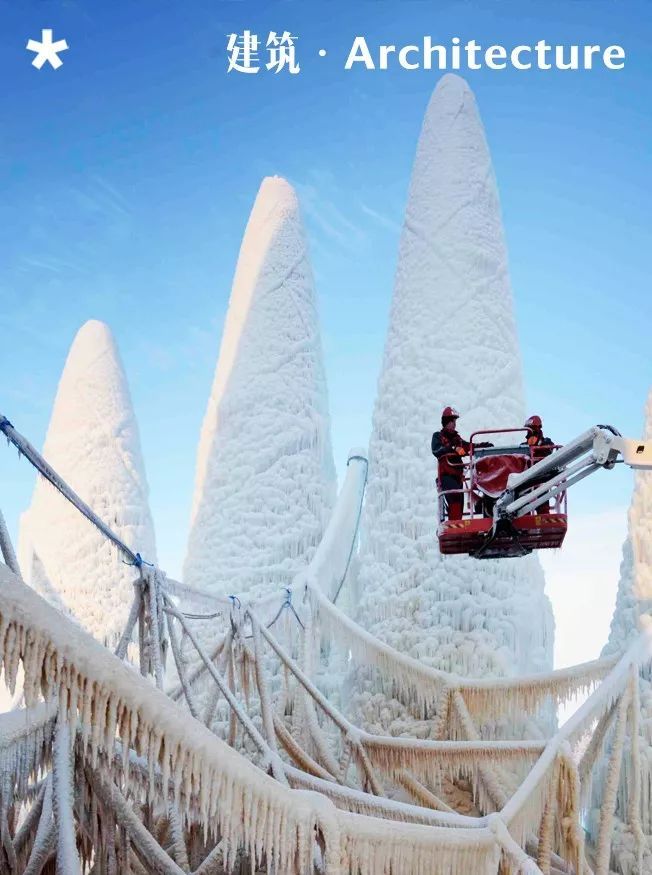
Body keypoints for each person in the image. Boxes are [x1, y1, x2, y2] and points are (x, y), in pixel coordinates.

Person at [431, 407, 470, 521]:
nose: (454, 424)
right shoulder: (438, 436)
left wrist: (483, 446)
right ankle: (454, 526)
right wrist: (453, 448)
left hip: (458, 477)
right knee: (455, 500)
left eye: (455, 422)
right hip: (446, 476)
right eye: (452, 421)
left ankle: (457, 526)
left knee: (459, 504)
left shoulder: (457, 439)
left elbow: (468, 446)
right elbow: (436, 450)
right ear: (446, 422)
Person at [522, 415, 556, 513]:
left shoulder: (546, 443)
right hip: (525, 479)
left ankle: (543, 514)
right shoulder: (523, 446)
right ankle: (524, 517)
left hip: (541, 477)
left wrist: (538, 448)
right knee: (522, 500)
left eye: (532, 429)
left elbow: (549, 450)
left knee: (542, 496)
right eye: (528, 430)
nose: (530, 432)